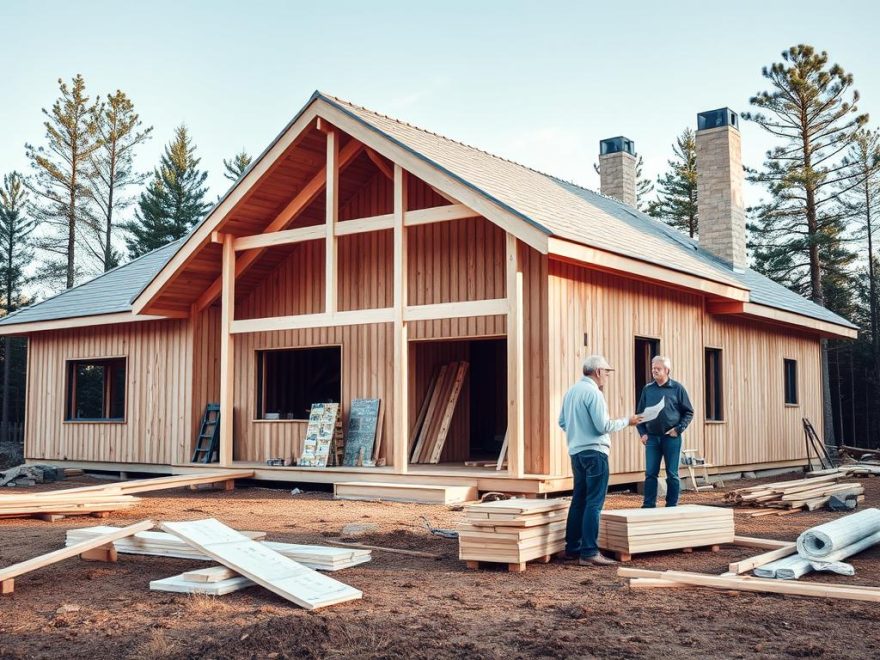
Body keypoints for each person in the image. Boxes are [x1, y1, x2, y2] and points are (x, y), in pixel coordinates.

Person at [559, 355, 641, 566]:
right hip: (595, 453)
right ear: (597, 372)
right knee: (594, 503)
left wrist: (578, 433)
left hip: (576, 452)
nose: (607, 375)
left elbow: (562, 422)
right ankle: (589, 552)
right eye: (606, 371)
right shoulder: (593, 393)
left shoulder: (571, 392)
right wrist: (627, 421)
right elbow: (603, 426)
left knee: (579, 501)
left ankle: (572, 549)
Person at [636, 355, 694, 508]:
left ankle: (671, 506)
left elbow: (689, 412)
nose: (654, 371)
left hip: (671, 438)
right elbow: (639, 414)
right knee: (650, 474)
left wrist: (679, 429)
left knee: (672, 475)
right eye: (653, 368)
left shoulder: (677, 388)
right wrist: (642, 433)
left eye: (658, 368)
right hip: (652, 439)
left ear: (667, 370)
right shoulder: (648, 389)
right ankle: (648, 506)